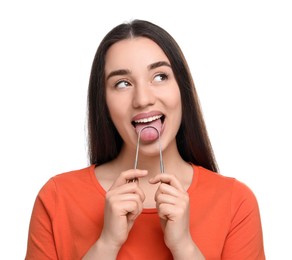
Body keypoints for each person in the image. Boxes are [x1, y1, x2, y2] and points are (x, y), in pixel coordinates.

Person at [25, 19, 265, 260]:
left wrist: (184, 247)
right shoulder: (56, 198)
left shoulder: (236, 202)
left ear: (182, 88)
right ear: (104, 103)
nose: (143, 99)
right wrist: (107, 244)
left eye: (160, 77)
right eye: (122, 83)